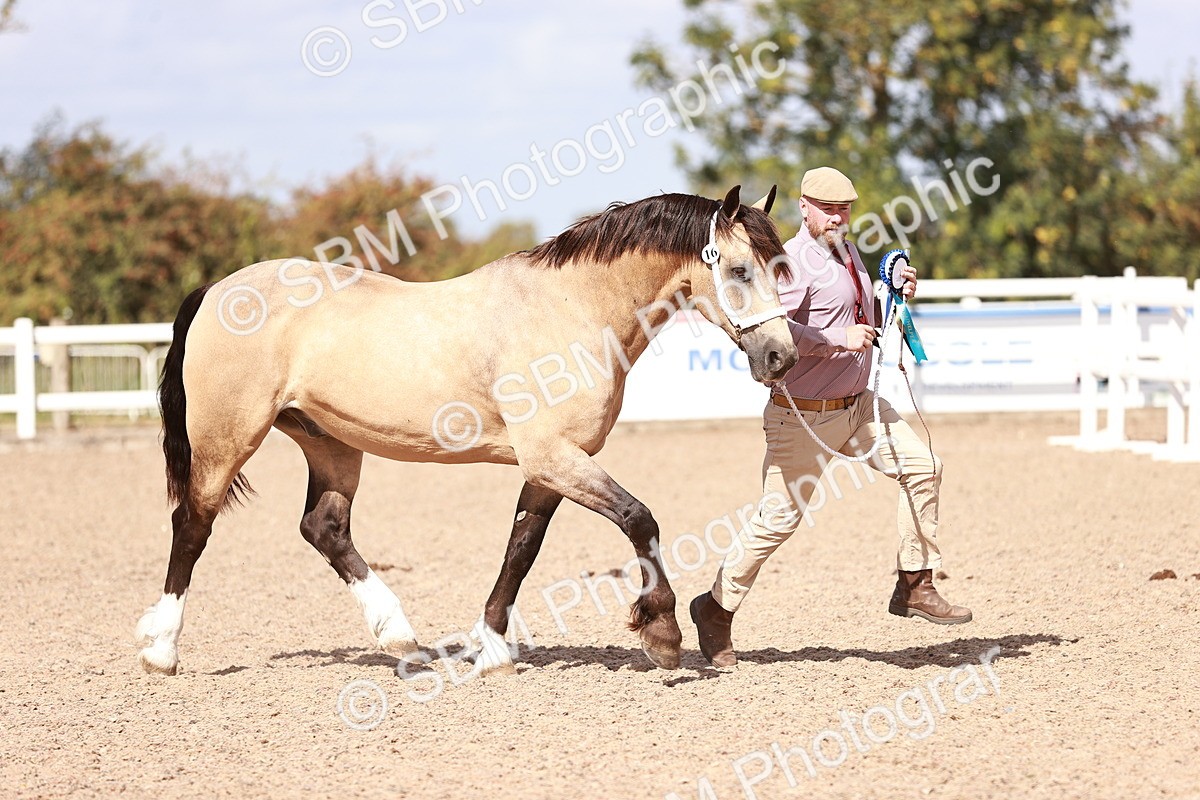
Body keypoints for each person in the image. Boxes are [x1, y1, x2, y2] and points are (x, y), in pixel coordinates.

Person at [690, 166, 971, 668]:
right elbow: (774, 333)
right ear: (805, 207)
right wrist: (835, 342)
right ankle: (715, 608)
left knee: (924, 467)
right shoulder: (789, 264)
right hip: (803, 417)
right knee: (777, 521)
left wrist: (895, 296)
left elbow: (856, 317)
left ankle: (915, 582)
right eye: (829, 208)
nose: (839, 217)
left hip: (859, 406)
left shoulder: (846, 252)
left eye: (845, 208)